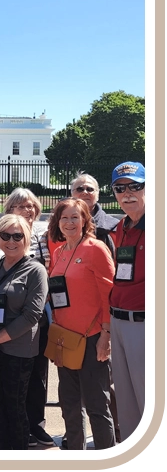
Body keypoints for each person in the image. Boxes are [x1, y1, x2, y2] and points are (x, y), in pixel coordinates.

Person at [48, 198, 115, 450]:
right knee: (70, 406)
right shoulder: (59, 252)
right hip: (65, 339)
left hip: (92, 338)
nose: (69, 222)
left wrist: (106, 336)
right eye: (64, 218)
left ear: (85, 220)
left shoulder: (96, 249)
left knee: (97, 406)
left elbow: (109, 295)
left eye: (75, 217)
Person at [0, 214, 48, 450]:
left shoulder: (35, 271)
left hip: (18, 350)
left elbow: (32, 315)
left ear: (26, 238)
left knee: (15, 408)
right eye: (5, 235)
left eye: (17, 236)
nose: (11, 241)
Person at [69, 172, 121, 445]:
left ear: (98, 194)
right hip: (71, 328)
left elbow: (111, 285)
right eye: (79, 188)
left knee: (104, 390)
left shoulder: (111, 228)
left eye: (90, 188)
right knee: (75, 394)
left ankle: (115, 440)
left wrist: (107, 331)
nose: (85, 191)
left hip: (100, 325)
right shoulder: (64, 234)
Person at [3, 188, 54, 447]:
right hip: (12, 316)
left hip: (40, 314)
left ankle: (36, 423)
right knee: (16, 376)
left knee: (38, 373)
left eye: (32, 206)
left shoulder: (44, 237)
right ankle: (21, 424)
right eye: (23, 206)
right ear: (10, 209)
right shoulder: (5, 234)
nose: (29, 210)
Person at [109, 161, 145, 442]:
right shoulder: (121, 226)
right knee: (127, 403)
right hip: (118, 320)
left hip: (145, 322)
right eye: (121, 188)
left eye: (136, 185)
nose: (128, 193)